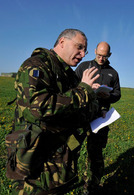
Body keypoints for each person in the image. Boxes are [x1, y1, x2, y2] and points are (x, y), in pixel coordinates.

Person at [5, 29, 101, 194]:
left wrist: (95, 103)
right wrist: (83, 91)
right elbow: (37, 108)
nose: (83, 54)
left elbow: (76, 109)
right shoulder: (35, 65)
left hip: (59, 163)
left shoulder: (69, 75)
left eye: (84, 50)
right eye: (79, 47)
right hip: (35, 164)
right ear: (62, 42)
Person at [75, 41, 121, 193]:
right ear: (95, 51)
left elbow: (117, 94)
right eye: (98, 55)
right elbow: (71, 87)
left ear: (109, 55)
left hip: (100, 119)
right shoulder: (83, 67)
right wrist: (85, 87)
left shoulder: (113, 73)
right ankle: (70, 179)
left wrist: (107, 96)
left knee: (96, 154)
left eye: (104, 56)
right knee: (72, 148)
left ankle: (93, 185)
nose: (101, 58)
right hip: (80, 117)